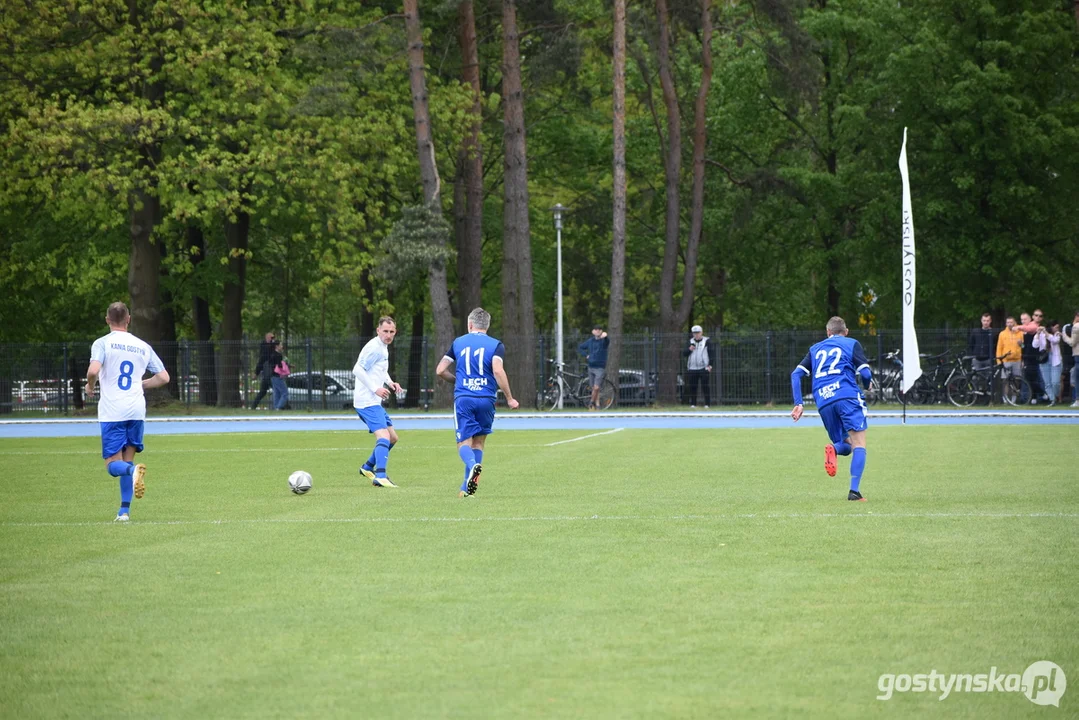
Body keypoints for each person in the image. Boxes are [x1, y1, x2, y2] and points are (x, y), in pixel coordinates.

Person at [84, 302, 170, 521]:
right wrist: (141, 385)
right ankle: (124, 511)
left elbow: (93, 370)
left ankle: (133, 473)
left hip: (113, 411)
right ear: (128, 319)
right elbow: (163, 378)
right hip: (136, 410)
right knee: (127, 461)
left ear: (107, 320)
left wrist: (90, 386)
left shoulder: (102, 343)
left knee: (114, 465)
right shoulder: (142, 346)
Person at [435, 307, 520, 497]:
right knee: (479, 443)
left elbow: (440, 370)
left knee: (463, 443)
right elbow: (498, 370)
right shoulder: (496, 345)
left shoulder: (458, 342)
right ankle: (466, 489)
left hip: (464, 398)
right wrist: (509, 398)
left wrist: (458, 380)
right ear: (487, 326)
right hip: (486, 399)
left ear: (470, 324)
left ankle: (473, 465)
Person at [789, 316, 872, 502]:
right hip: (847, 396)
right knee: (859, 444)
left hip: (824, 401)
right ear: (846, 331)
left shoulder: (815, 349)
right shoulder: (851, 343)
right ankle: (854, 492)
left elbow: (796, 374)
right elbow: (865, 373)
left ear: (828, 333)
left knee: (847, 445)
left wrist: (799, 403)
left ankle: (833, 449)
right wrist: (867, 384)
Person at [355, 317, 403, 488]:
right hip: (367, 401)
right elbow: (357, 369)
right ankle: (380, 476)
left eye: (391, 332)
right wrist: (375, 388)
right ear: (378, 330)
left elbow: (380, 370)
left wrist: (390, 383)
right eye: (385, 331)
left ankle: (367, 467)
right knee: (383, 436)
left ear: (395, 332)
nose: (388, 335)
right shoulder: (374, 348)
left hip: (374, 401)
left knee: (393, 438)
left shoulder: (383, 348)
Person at [577, 324, 610, 410]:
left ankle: (591, 402)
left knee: (596, 387)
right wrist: (586, 355)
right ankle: (597, 405)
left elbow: (607, 342)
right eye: (596, 329)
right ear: (593, 331)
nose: (598, 331)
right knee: (593, 388)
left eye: (599, 329)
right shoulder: (590, 341)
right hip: (591, 367)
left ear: (601, 331)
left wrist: (605, 337)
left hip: (600, 367)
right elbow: (580, 347)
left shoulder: (603, 341)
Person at [1017, 311, 1047, 402]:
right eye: (1021, 319)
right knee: (1029, 378)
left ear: (1030, 319)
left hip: (1033, 357)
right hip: (1026, 356)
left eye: (1025, 319)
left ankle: (1042, 393)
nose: (1023, 321)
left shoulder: (1033, 327)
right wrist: (1021, 345)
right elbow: (1025, 347)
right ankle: (1034, 397)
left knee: (1031, 377)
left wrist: (1017, 327)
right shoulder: (1024, 332)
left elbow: (1031, 329)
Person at [683, 325, 716, 408]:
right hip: (692, 368)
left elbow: (712, 354)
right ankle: (693, 404)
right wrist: (689, 349)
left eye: (698, 333)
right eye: (694, 333)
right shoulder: (690, 341)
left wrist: (710, 365)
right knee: (693, 386)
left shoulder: (707, 341)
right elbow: (684, 353)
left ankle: (707, 404)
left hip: (704, 367)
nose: (696, 335)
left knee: (705, 386)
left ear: (701, 332)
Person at [1034, 320, 1063, 404]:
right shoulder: (1041, 335)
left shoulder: (1057, 334)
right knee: (1047, 383)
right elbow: (1035, 345)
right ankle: (1052, 399)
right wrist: (1038, 334)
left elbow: (1055, 340)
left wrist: (1046, 333)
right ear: (1051, 327)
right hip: (1044, 360)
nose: (1057, 329)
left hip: (1055, 360)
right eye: (1056, 327)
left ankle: (1056, 395)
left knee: (1055, 382)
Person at [250, 331, 276, 409]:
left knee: (263, 391)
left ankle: (253, 406)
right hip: (269, 373)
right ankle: (283, 406)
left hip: (267, 374)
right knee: (278, 389)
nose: (273, 339)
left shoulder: (272, 347)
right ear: (267, 338)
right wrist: (256, 373)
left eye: (273, 337)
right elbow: (261, 361)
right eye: (271, 338)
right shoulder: (266, 349)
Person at [1062, 312, 1079, 407]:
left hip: (1078, 354)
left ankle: (1077, 399)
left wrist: (1064, 335)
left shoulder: (1076, 326)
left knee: (1077, 378)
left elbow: (1072, 342)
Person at [271, 341, 290, 410]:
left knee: (277, 393)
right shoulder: (278, 355)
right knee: (285, 393)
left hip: (272, 376)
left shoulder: (272, 354)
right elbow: (279, 366)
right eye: (281, 345)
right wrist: (285, 365)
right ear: (277, 346)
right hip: (278, 376)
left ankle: (276, 407)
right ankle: (278, 407)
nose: (282, 346)